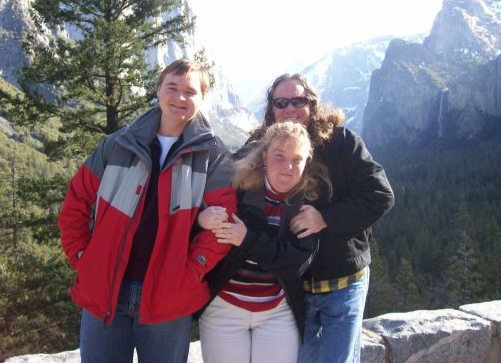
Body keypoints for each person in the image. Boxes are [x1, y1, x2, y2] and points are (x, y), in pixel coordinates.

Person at [57, 59, 237, 363]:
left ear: (202, 99)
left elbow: (223, 225)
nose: (180, 98)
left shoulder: (214, 156)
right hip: (105, 288)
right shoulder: (118, 144)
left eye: (190, 92)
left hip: (168, 297)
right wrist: (82, 258)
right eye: (172, 88)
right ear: (158, 91)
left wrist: (189, 274)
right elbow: (76, 201)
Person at [246, 73, 395, 363]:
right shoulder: (262, 148)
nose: (290, 108)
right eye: (281, 102)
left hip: (343, 283)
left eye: (298, 101)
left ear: (312, 105)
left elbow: (380, 194)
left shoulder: (342, 142)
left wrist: (325, 218)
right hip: (293, 290)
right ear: (272, 109)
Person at [195, 121, 327, 363]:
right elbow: (193, 225)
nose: (288, 166)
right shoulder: (239, 190)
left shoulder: (307, 205)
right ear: (265, 157)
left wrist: (247, 239)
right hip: (224, 308)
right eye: (279, 156)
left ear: (306, 163)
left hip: (276, 313)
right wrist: (200, 219)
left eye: (297, 159)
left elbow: (295, 263)